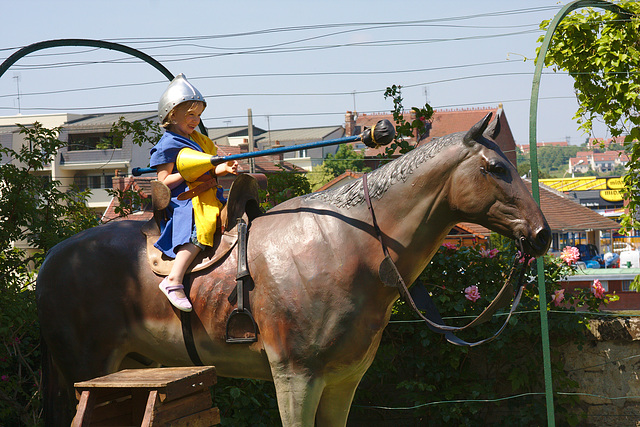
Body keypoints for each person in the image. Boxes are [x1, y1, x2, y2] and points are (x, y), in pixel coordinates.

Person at [150, 74, 238, 312]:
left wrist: (224, 167)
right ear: (172, 115)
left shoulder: (198, 141)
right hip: (184, 201)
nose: (196, 120)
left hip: (207, 194)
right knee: (199, 231)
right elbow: (163, 182)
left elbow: (207, 167)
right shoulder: (168, 144)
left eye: (198, 115)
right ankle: (173, 281)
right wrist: (186, 174)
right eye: (190, 114)